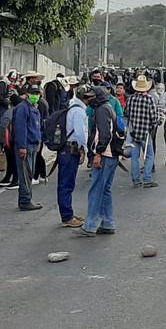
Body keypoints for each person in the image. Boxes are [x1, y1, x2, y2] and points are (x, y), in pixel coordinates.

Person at [75, 85, 121, 236]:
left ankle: (90, 225)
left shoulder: (101, 110)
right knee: (105, 190)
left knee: (96, 191)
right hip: (112, 154)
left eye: (91, 96)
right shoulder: (108, 107)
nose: (88, 99)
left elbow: (104, 134)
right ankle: (108, 222)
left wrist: (98, 153)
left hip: (105, 154)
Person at [56, 86, 92, 228]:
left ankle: (68, 213)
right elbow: (80, 133)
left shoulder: (74, 106)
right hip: (71, 149)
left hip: (67, 149)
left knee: (66, 184)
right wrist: (84, 148)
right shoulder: (78, 111)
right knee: (66, 184)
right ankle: (67, 216)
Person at [125, 74, 160, 188]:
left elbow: (127, 114)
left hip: (134, 132)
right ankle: (147, 179)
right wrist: (155, 123)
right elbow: (154, 118)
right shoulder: (149, 99)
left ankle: (136, 180)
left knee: (135, 157)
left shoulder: (130, 99)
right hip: (145, 133)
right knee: (150, 155)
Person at [14, 83, 44, 211]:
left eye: (37, 94)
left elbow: (36, 128)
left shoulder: (34, 108)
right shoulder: (23, 108)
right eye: (33, 93)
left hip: (33, 145)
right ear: (27, 94)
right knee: (25, 174)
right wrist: (22, 146)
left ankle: (26, 198)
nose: (35, 96)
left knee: (29, 173)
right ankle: (25, 200)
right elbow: (20, 128)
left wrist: (38, 143)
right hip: (25, 145)